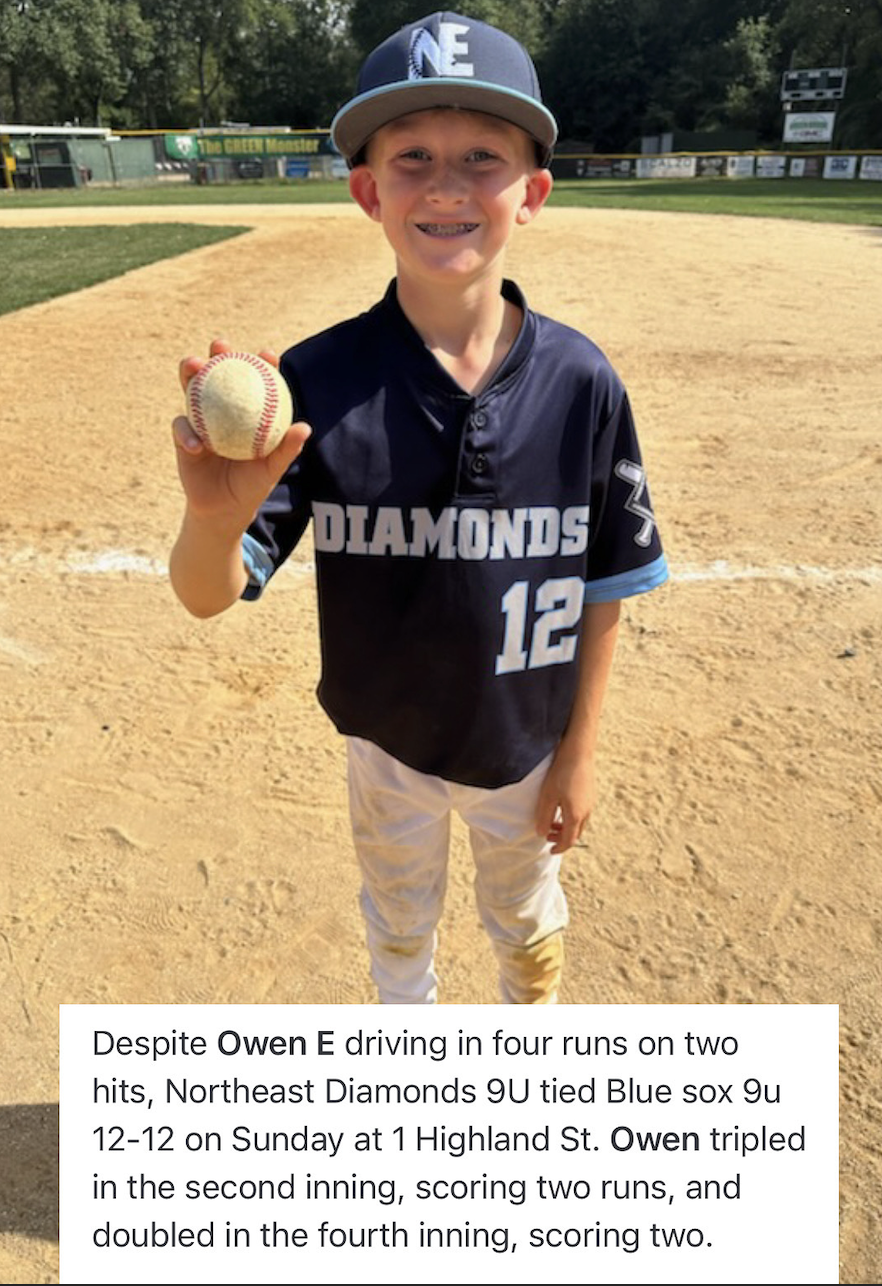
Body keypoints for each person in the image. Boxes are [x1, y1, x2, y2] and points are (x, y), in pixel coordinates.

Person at [169, 11, 668, 1005]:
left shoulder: (582, 381)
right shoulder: (318, 378)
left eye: (483, 156)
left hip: (527, 744)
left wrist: (579, 753)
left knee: (527, 932)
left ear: (532, 192)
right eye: (412, 157)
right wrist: (217, 519)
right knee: (399, 929)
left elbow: (608, 578)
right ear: (369, 190)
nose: (446, 183)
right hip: (384, 744)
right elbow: (203, 594)